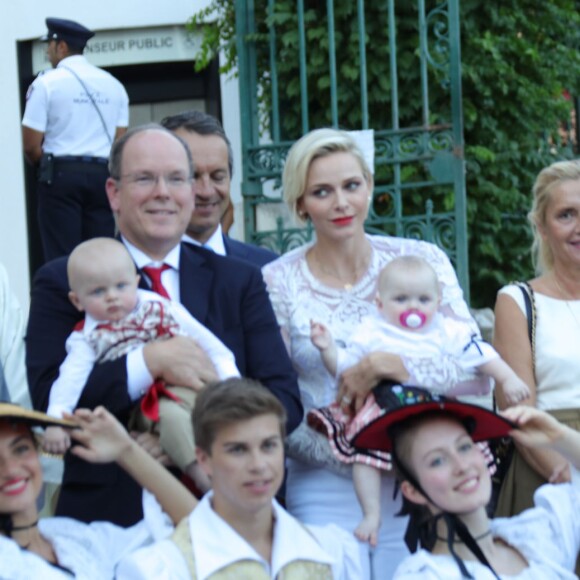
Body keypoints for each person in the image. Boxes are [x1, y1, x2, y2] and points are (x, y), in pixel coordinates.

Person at [26, 123, 302, 526]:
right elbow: (49, 401)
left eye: (176, 179)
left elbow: (285, 402)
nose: (163, 192)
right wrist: (150, 361)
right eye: (145, 179)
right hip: (113, 518)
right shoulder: (66, 279)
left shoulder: (238, 280)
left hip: (232, 518)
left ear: (191, 192)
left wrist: (189, 443)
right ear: (113, 194)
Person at [262, 128, 486, 579]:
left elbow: (477, 370)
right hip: (321, 479)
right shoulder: (277, 279)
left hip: (424, 476)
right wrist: (349, 448)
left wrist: (390, 365)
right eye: (322, 192)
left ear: (369, 186)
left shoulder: (422, 260)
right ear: (301, 203)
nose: (341, 203)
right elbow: (274, 396)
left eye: (351, 186)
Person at [308, 255, 529, 547]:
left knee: (454, 457)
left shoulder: (446, 331)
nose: (414, 307)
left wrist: (508, 378)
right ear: (380, 304)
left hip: (433, 412)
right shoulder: (373, 330)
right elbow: (347, 370)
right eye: (401, 299)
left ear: (437, 303)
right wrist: (327, 350)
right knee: (363, 455)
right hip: (383, 407)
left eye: (423, 299)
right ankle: (372, 513)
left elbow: (481, 355)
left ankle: (459, 515)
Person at [42, 238, 239, 491]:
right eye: (98, 292)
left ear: (135, 283)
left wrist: (231, 385)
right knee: (173, 418)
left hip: (200, 385)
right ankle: (205, 480)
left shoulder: (158, 306)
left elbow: (209, 343)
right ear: (77, 301)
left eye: (121, 286)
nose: (112, 297)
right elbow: (69, 381)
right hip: (154, 403)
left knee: (224, 414)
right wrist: (56, 422)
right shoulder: (87, 338)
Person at [117, 377, 362, 579]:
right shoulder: (161, 568)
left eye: (268, 446)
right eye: (238, 449)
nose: (258, 465)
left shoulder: (332, 551)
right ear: (203, 459)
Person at [351, 383, 580, 579]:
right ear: (412, 491)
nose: (462, 466)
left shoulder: (534, 539)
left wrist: (560, 437)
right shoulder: (428, 575)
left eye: (464, 447)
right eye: (438, 461)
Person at [0, 402, 196, 579]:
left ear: (37, 453)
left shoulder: (69, 537)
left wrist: (126, 451)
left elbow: (196, 528)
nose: (11, 469)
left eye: (21, 449)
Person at [493, 159, 580, 519]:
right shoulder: (518, 302)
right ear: (542, 227)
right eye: (566, 215)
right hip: (549, 468)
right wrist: (567, 483)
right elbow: (519, 414)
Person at [22, 17, 129, 262]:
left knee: (62, 256)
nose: (47, 51)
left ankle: (64, 299)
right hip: (102, 176)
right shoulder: (114, 86)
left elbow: (30, 145)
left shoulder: (46, 83)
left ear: (61, 46)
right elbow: (119, 144)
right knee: (99, 253)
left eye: (49, 45)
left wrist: (47, 166)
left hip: (61, 175)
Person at [160, 110, 278, 266]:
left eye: (217, 177)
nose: (207, 191)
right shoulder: (130, 273)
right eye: (192, 177)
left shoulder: (269, 268)